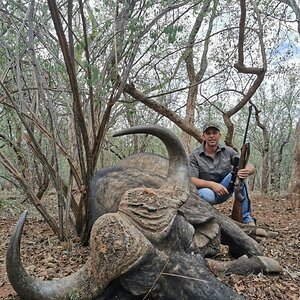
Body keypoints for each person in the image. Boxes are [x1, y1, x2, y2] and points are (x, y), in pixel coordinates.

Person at [189, 122, 255, 225]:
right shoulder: (195, 155)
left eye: (214, 133)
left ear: (219, 135)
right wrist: (212, 185)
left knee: (240, 175)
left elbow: (250, 166)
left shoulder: (228, 151)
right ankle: (206, 220)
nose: (211, 136)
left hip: (225, 189)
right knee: (207, 195)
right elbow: (192, 179)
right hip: (207, 192)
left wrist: (247, 171)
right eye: (208, 133)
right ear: (203, 136)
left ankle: (247, 219)